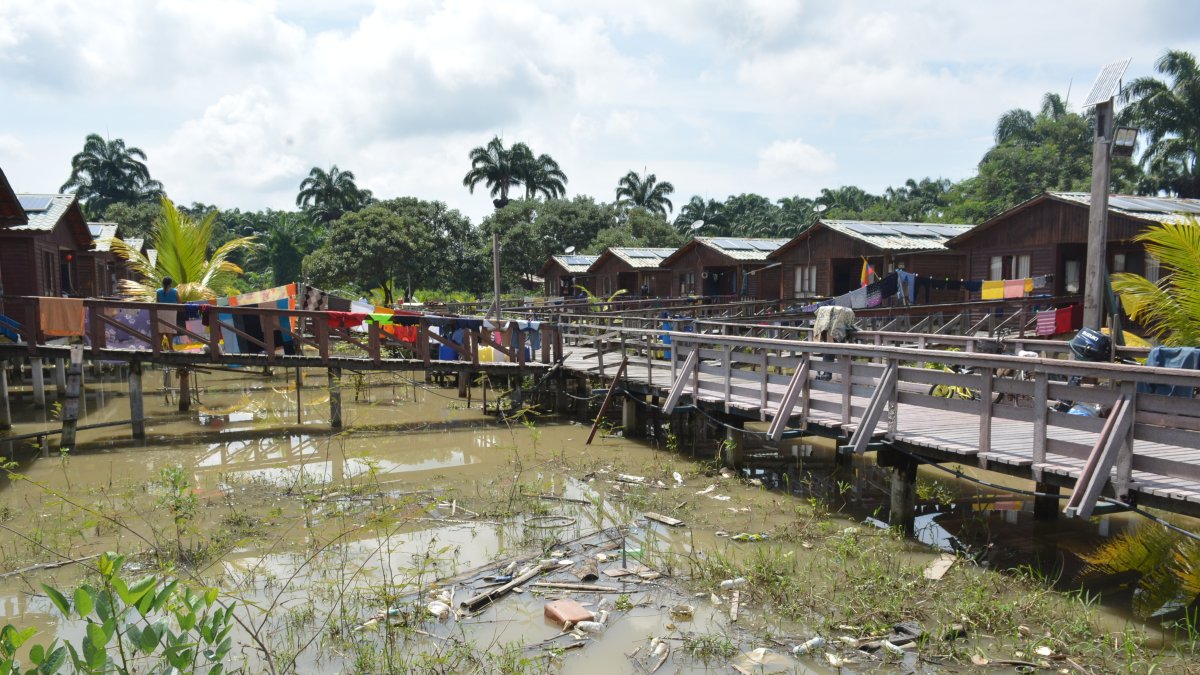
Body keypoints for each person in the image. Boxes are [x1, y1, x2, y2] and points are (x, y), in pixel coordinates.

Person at [155, 277, 181, 348]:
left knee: (161, 331)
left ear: (162, 283)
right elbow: (179, 302)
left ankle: (160, 348)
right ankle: (171, 348)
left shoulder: (158, 291)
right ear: (170, 283)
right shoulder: (175, 291)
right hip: (171, 312)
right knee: (170, 330)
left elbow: (157, 303)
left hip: (161, 312)